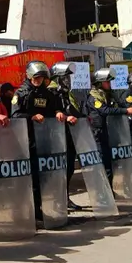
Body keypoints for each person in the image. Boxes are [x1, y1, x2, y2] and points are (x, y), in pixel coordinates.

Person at [12, 60, 60, 218]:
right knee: (28, 178)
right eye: (36, 77)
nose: (39, 81)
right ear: (29, 76)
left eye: (41, 78)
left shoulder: (47, 93)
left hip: (44, 139)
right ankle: (25, 212)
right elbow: (15, 115)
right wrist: (32, 116)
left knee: (43, 177)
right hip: (26, 141)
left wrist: (58, 112)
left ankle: (38, 209)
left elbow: (54, 109)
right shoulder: (21, 93)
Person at [83, 67, 132, 183]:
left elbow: (121, 105)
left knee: (112, 163)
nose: (109, 84)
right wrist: (126, 111)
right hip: (98, 133)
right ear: (99, 83)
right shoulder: (93, 97)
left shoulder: (108, 95)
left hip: (110, 132)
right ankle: (103, 193)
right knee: (104, 162)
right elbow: (105, 110)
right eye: (107, 81)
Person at [47, 62, 83, 209]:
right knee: (57, 171)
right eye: (65, 77)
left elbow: (73, 109)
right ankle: (56, 200)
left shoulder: (67, 93)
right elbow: (50, 112)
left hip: (69, 135)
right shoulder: (51, 92)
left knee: (68, 169)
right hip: (55, 137)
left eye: (68, 77)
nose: (68, 79)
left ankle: (65, 197)